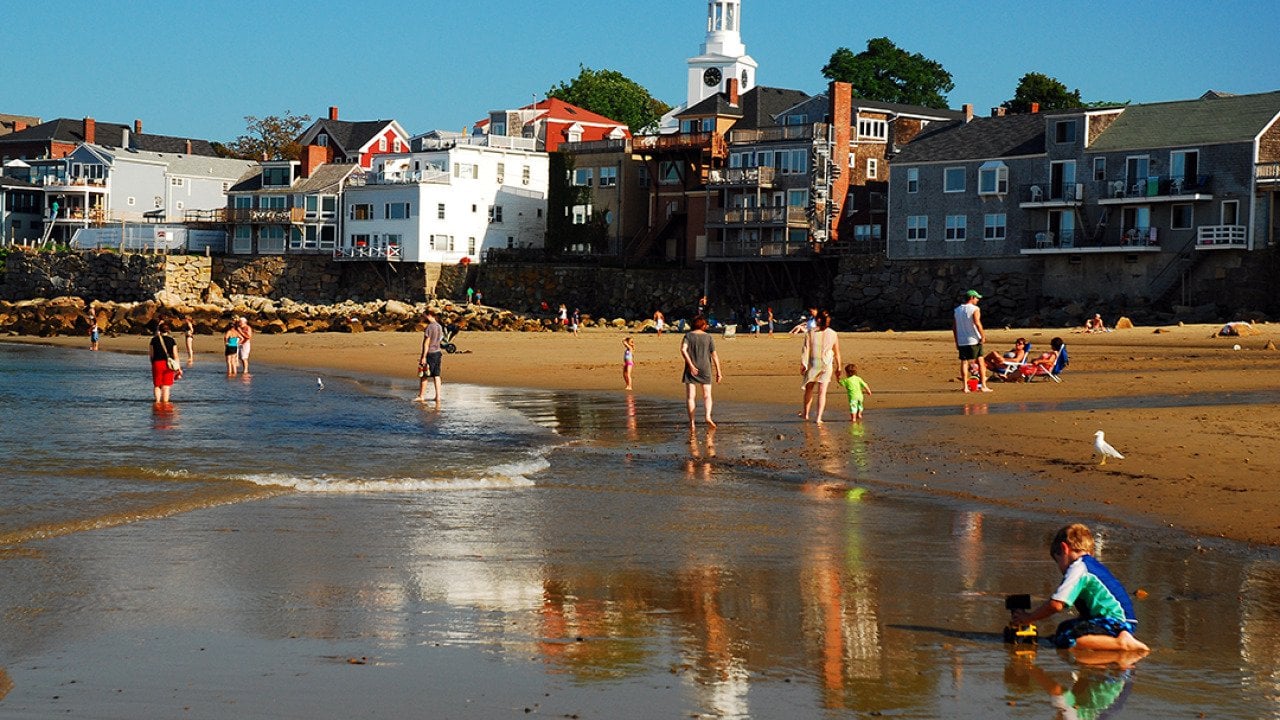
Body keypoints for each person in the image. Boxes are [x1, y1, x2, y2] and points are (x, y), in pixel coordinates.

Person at [1011, 523, 1149, 653]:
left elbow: (1056, 605)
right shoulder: (1091, 565)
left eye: (1058, 561)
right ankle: (1110, 641)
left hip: (1116, 622)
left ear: (1064, 549)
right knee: (1064, 628)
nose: (1061, 569)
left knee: (1065, 638)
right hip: (1120, 621)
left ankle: (1122, 643)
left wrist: (1029, 618)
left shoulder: (1078, 568)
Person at [799, 310, 842, 423]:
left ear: (818, 320)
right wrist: (839, 367)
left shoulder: (810, 332)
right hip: (827, 364)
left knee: (809, 389)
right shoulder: (833, 333)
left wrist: (803, 363)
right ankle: (818, 418)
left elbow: (805, 349)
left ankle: (806, 414)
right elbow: (837, 353)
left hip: (814, 363)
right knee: (822, 392)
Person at [680, 316, 722, 429]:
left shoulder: (688, 336)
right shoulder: (708, 337)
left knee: (690, 397)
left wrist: (691, 365)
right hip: (705, 367)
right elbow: (714, 355)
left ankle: (692, 422)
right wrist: (719, 371)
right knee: (707, 395)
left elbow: (683, 350)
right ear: (703, 325)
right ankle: (708, 416)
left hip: (691, 368)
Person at [953, 290, 991, 392]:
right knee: (980, 361)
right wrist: (983, 336)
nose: (978, 300)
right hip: (974, 339)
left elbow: (954, 327)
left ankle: (965, 386)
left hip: (962, 340)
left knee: (964, 362)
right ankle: (983, 385)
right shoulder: (975, 309)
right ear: (972, 298)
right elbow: (977, 323)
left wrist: (956, 341)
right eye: (977, 298)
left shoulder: (957, 310)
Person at [414, 310, 444, 403]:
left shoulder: (430, 327)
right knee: (436, 375)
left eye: (424, 316)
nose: (423, 318)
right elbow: (440, 339)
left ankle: (421, 396)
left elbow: (426, 343)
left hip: (430, 353)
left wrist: (423, 356)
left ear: (429, 315)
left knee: (424, 375)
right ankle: (438, 396)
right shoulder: (439, 326)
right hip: (438, 352)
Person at [149, 320, 181, 403]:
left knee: (157, 385)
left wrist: (153, 364)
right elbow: (175, 355)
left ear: (159, 330)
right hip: (169, 364)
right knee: (166, 386)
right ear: (168, 330)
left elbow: (151, 355)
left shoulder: (154, 340)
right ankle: (165, 404)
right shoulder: (172, 340)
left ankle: (157, 403)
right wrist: (178, 368)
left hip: (157, 363)